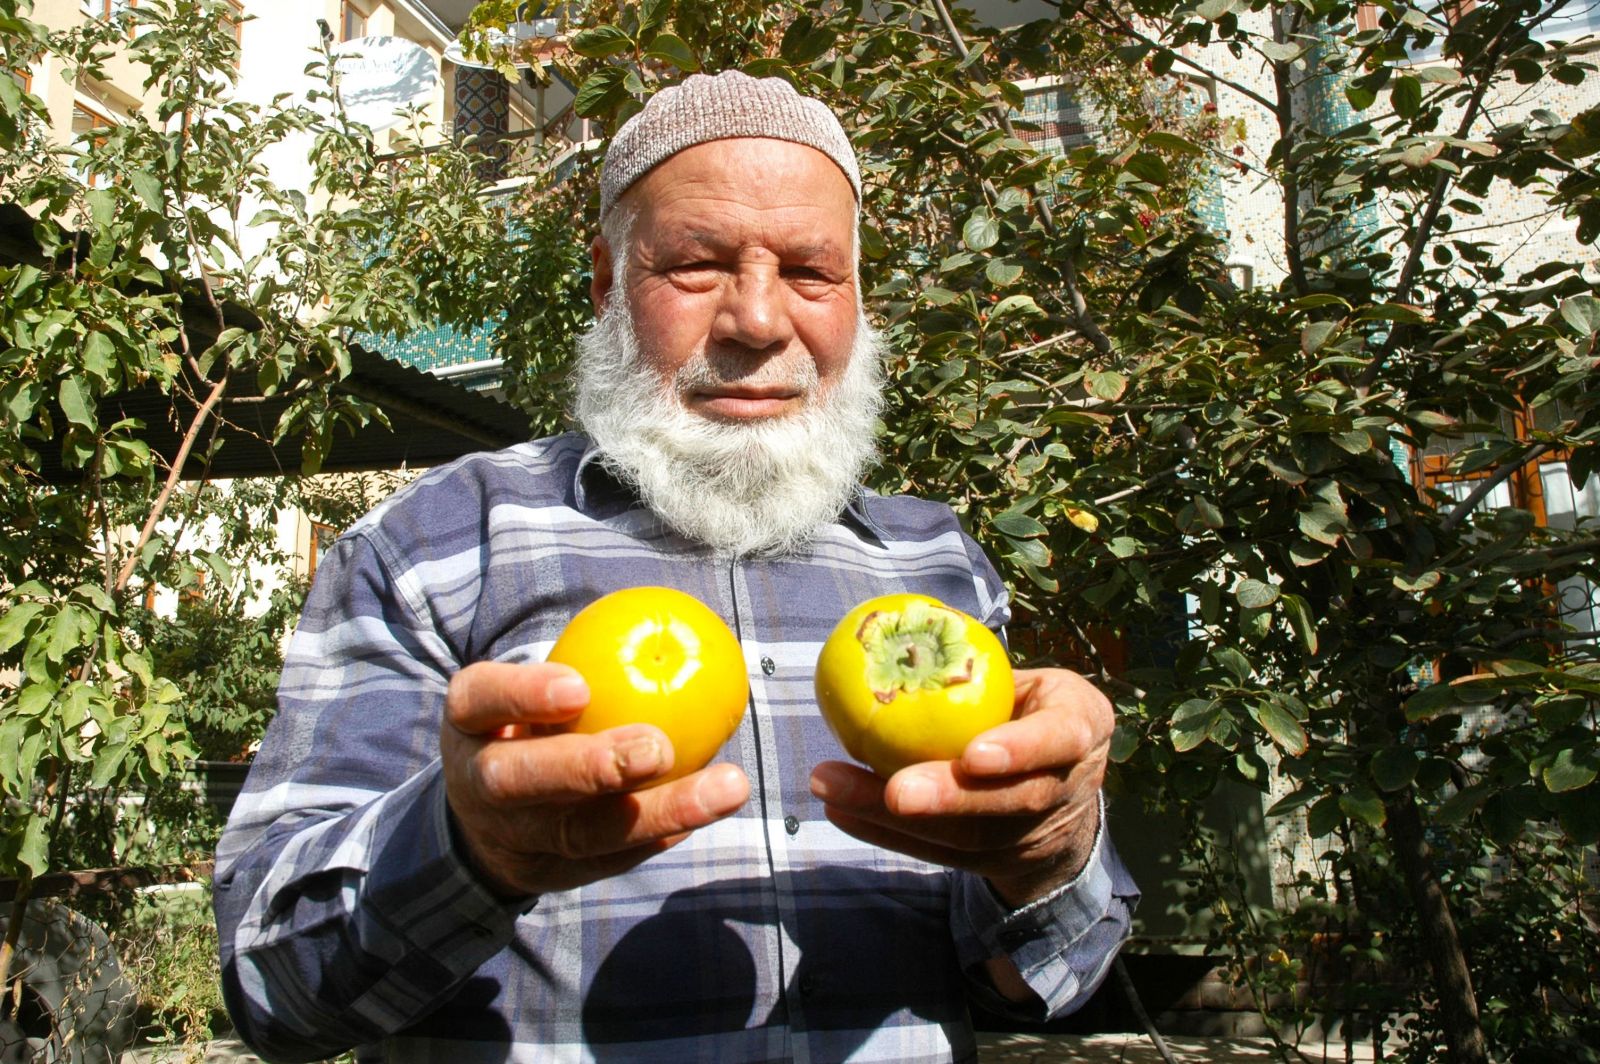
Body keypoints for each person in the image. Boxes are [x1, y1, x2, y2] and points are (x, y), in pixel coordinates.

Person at [213, 70, 1139, 1063]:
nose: (756, 319)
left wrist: (1047, 854)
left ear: (857, 298)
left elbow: (1043, 979)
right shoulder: (436, 544)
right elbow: (274, 989)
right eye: (697, 264)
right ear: (609, 282)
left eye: (810, 272)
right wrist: (467, 846)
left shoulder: (933, 565)